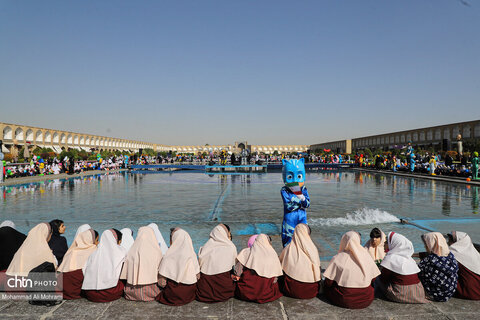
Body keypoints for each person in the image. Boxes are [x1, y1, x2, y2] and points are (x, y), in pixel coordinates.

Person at [323, 231, 380, 309]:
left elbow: (328, 282)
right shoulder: (367, 256)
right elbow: (374, 279)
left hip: (345, 300)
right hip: (366, 299)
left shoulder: (338, 258)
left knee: (327, 288)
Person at [378, 232, 427, 303]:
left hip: (401, 293)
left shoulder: (391, 258)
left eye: (386, 242)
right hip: (418, 292)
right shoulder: (409, 259)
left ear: (393, 244)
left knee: (377, 281)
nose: (384, 244)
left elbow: (383, 279)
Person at [234, 234, 283, 303]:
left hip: (246, 292)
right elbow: (275, 279)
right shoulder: (273, 255)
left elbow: (237, 273)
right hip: (266, 294)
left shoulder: (246, 252)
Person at [156, 228, 200, 306]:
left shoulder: (168, 256)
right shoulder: (192, 255)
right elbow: (198, 276)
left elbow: (161, 282)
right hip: (189, 295)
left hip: (173, 295)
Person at [82, 229, 127, 302]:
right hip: (110, 293)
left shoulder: (94, 253)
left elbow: (84, 270)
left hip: (90, 293)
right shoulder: (121, 252)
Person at [196, 224, 237, 303]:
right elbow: (234, 264)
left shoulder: (205, 247)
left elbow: (200, 266)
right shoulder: (230, 247)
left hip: (204, 291)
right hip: (224, 291)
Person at [279, 224, 321, 299]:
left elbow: (279, 265)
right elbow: (317, 268)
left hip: (290, 290)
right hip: (311, 291)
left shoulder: (288, 248)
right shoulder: (313, 249)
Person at [121, 226, 163, 301]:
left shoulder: (132, 251)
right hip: (152, 292)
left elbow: (125, 275)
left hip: (131, 292)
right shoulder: (157, 252)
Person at [57, 229, 98, 300]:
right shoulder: (94, 250)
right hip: (78, 287)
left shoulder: (72, 251)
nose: (98, 243)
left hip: (63, 286)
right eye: (97, 240)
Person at [418, 232, 458, 302]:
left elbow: (418, 272)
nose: (425, 247)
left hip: (434, 295)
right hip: (449, 293)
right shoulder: (451, 256)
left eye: (426, 244)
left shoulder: (429, 260)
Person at [281, 158, 311, 247]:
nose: (295, 180)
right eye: (290, 177)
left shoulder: (304, 189)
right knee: (288, 240)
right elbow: (288, 206)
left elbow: (308, 204)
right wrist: (301, 201)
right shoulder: (284, 190)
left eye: (299, 177)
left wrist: (303, 199)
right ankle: (288, 255)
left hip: (302, 217)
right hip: (290, 219)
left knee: (304, 239)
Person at [448, 231, 480, 300]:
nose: (448, 243)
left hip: (469, 292)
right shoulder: (474, 253)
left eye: (450, 240)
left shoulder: (455, 254)